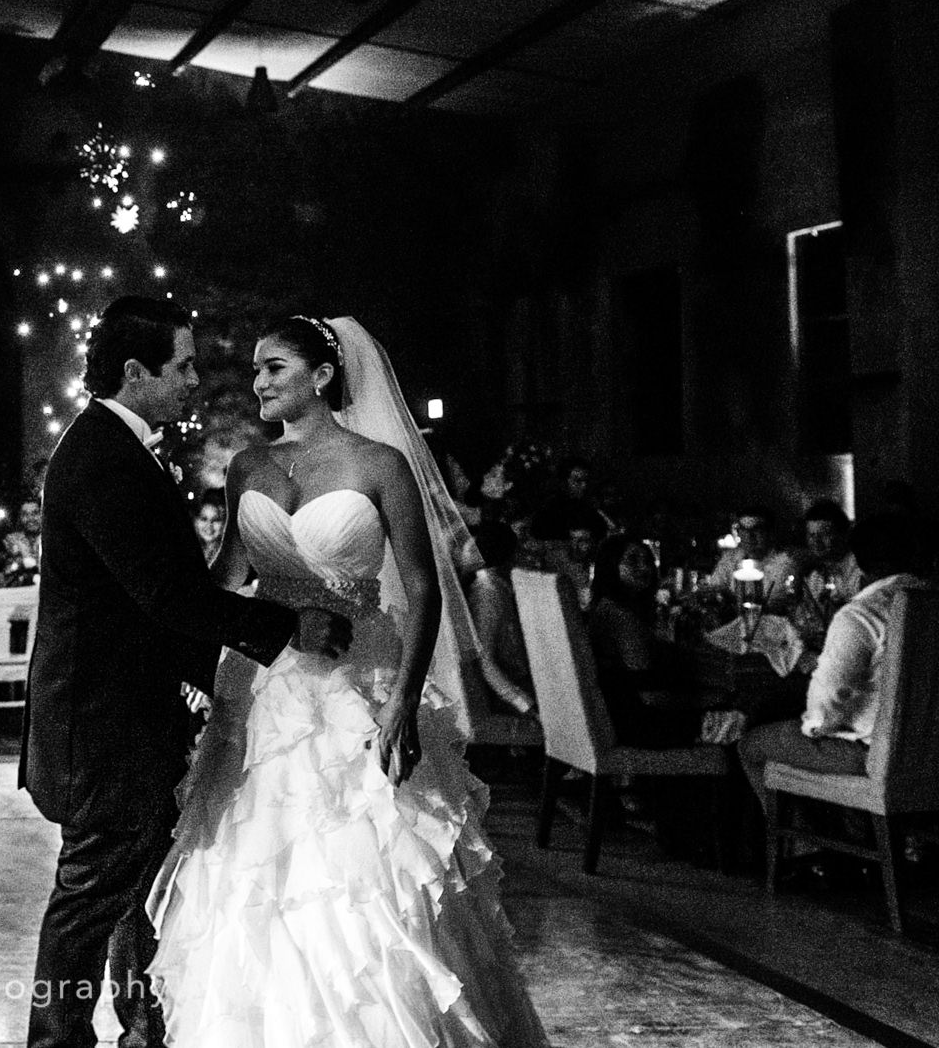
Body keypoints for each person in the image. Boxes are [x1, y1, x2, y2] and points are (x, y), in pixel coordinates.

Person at [146, 314, 548, 1048]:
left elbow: (423, 590)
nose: (258, 381)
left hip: (356, 684)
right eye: (258, 369)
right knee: (256, 870)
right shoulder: (246, 468)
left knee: (368, 880)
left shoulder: (381, 464)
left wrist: (400, 705)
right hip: (262, 695)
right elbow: (227, 579)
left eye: (275, 368)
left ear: (322, 375)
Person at [20, 297, 348, 1048]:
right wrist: (289, 628)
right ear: (135, 372)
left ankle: (145, 1027)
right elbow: (166, 594)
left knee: (139, 888)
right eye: (182, 365)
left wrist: (221, 682)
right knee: (92, 892)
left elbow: (155, 599)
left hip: (122, 717)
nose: (195, 381)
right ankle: (55, 1039)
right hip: (100, 727)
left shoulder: (119, 445)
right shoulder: (103, 456)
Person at [738, 515, 929, 813]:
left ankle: (805, 845)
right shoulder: (928, 602)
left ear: (859, 558)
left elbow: (824, 710)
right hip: (927, 755)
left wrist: (810, 727)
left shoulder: (862, 614)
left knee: (752, 744)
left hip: (873, 754)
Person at [585, 534, 694, 747]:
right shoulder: (622, 616)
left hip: (616, 719)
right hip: (640, 727)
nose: (644, 568)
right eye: (632, 560)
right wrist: (704, 701)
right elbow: (650, 695)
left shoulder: (604, 607)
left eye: (647, 560)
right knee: (741, 720)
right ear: (610, 566)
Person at [468, 518, 534, 717]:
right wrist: (525, 704)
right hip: (510, 693)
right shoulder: (488, 592)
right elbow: (484, 660)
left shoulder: (499, 586)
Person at [707, 503, 799, 599]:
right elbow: (714, 590)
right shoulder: (729, 559)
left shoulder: (784, 565)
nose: (749, 536)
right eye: (744, 529)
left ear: (770, 533)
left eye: (756, 529)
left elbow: (775, 602)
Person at [532, 455, 610, 542]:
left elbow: (601, 529)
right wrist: (571, 534)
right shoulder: (552, 504)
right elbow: (539, 530)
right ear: (564, 481)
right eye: (578, 481)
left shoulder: (587, 505)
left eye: (586, 481)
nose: (584, 486)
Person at [1, 498, 43, 576]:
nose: (30, 518)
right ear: (20, 517)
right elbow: (5, 571)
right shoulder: (12, 539)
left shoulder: (53, 540)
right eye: (25, 514)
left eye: (35, 513)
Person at [189, 490, 226, 565]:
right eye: (204, 519)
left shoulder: (230, 556)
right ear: (195, 521)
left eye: (215, 520)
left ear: (224, 523)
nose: (209, 525)